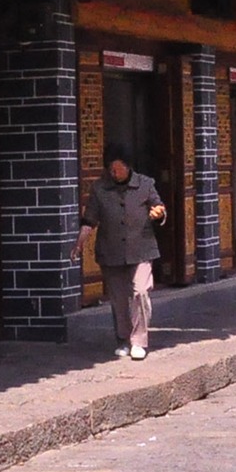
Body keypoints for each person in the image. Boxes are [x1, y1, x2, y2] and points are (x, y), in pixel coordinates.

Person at [76, 143, 166, 361]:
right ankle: (123, 340)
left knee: (140, 292)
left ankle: (139, 341)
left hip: (142, 248)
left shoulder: (145, 184)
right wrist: (79, 244)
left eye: (118, 169)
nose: (114, 173)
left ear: (128, 167)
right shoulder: (100, 188)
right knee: (118, 299)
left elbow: (159, 207)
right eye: (111, 169)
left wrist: (159, 213)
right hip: (111, 250)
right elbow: (90, 220)